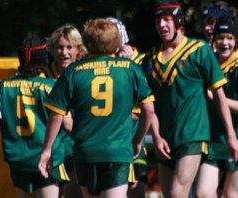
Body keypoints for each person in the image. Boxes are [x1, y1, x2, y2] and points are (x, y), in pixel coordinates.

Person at [38, 18, 155, 198]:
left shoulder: (74, 71)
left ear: (86, 44)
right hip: (117, 151)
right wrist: (138, 141)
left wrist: (47, 150)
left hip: (86, 152)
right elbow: (148, 110)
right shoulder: (129, 68)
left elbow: (56, 115)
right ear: (117, 44)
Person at [141, 1, 238, 197]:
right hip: (165, 139)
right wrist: (157, 136)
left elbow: (219, 95)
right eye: (158, 21)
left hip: (193, 135)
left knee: (179, 194)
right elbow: (148, 103)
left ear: (178, 21)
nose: (162, 25)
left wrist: (231, 134)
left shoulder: (199, 50)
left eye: (167, 20)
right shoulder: (150, 58)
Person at [0, 37, 69, 198]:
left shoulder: (5, 86)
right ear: (44, 59)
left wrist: (12, 131)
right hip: (48, 157)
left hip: (18, 157)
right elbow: (67, 124)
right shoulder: (51, 85)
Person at [195, 16, 238, 198]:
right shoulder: (207, 63)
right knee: (203, 193)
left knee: (232, 196)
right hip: (214, 142)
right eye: (220, 37)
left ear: (237, 41)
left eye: (230, 38)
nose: (225, 42)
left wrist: (216, 97)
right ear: (213, 40)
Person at [106, 17, 149, 198]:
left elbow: (146, 106)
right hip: (109, 142)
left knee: (136, 190)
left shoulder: (141, 61)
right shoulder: (101, 63)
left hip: (132, 136)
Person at [46, 23, 86, 198]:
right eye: (59, 47)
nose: (64, 52)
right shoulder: (43, 74)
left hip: (76, 146)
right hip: (51, 147)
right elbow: (8, 85)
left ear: (79, 49)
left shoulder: (86, 73)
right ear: (52, 49)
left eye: (69, 47)